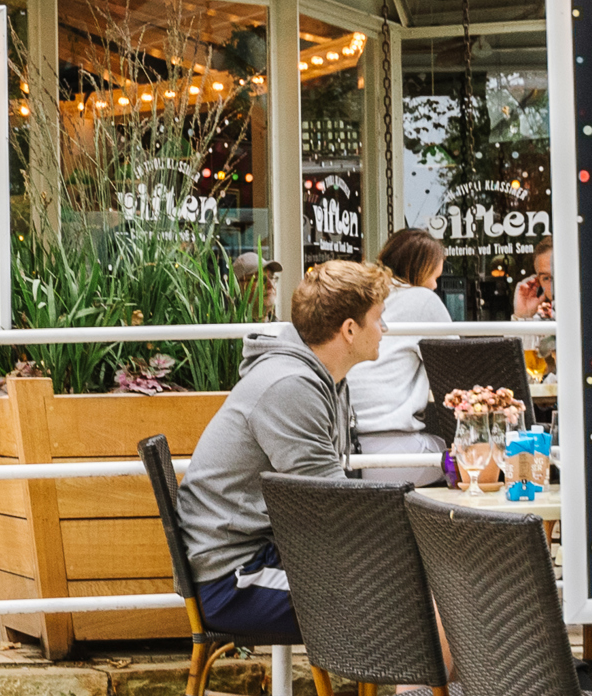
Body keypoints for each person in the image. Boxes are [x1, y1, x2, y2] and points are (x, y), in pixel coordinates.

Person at [176, 258, 396, 641]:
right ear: (349, 329)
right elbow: (332, 506)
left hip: (259, 554)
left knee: (419, 584)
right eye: (378, 318)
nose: (385, 329)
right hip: (234, 580)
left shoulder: (315, 378)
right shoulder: (290, 386)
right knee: (403, 598)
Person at [346, 229, 448, 454]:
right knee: (471, 455)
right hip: (393, 444)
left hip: (346, 443)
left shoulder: (362, 298)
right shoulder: (423, 299)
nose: (434, 287)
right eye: (434, 278)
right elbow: (456, 368)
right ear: (418, 272)